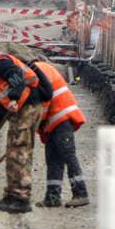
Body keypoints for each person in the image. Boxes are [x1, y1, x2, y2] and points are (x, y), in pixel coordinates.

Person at [0, 46, 52, 214]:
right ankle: (11, 196)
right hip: (20, 110)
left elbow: (17, 75)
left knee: (19, 152)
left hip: (28, 107)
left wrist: (14, 97)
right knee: (13, 152)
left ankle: (21, 199)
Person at [31, 59, 89, 208]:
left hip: (62, 118)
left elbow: (42, 102)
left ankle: (81, 193)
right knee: (53, 158)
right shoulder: (37, 69)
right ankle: (52, 197)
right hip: (54, 120)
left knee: (68, 155)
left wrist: (31, 124)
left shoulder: (37, 72)